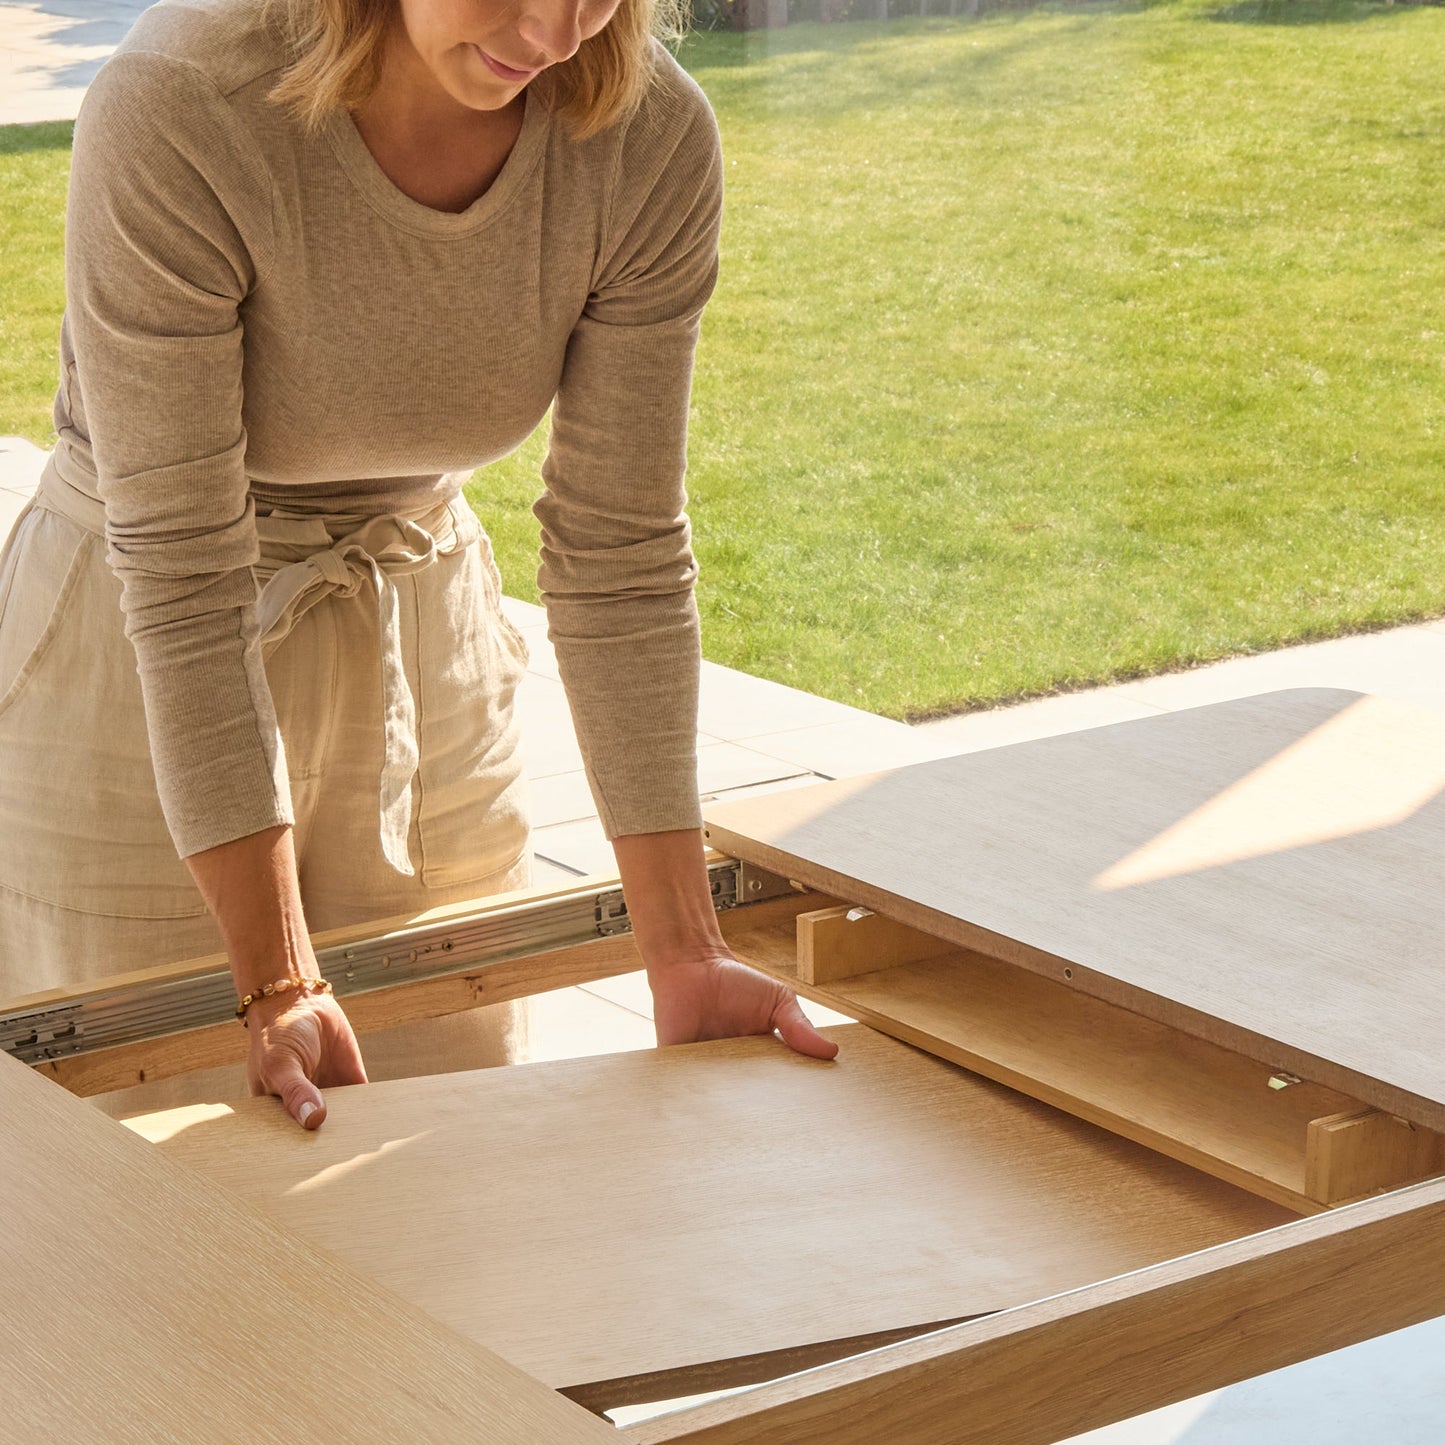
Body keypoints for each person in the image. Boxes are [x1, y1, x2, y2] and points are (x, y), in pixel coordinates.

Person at [0, 0, 838, 1124]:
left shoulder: (645, 138)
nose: (552, 31)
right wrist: (279, 977)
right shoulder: (184, 100)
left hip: (416, 615)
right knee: (155, 1187)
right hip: (136, 647)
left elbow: (619, 549)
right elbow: (187, 567)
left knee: (455, 1150)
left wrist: (684, 951)